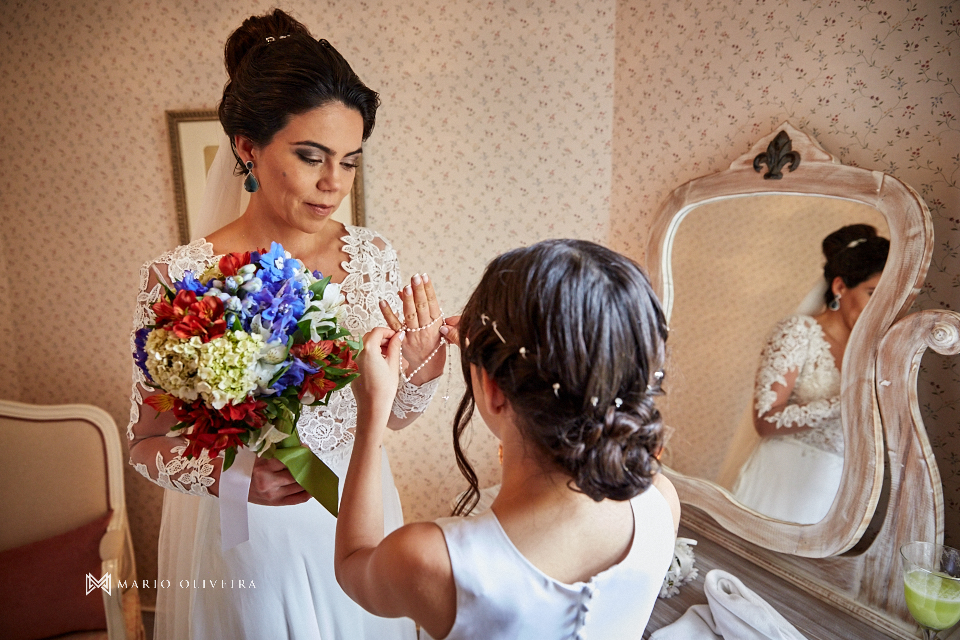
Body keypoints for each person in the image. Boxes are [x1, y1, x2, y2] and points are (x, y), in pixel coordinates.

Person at [127, 10, 444, 640]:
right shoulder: (179, 278)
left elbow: (394, 415)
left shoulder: (373, 257)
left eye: (349, 162)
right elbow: (144, 443)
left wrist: (426, 361)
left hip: (360, 511)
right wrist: (232, 476)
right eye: (311, 156)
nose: (334, 185)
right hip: (251, 539)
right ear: (247, 146)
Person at [336, 239, 681, 640]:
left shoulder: (433, 560)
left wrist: (371, 417)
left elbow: (351, 563)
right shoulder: (660, 499)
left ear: (495, 390)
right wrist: (489, 357)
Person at [732, 224, 889, 524]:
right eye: (872, 293)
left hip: (833, 494)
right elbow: (765, 419)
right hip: (780, 477)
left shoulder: (878, 352)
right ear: (840, 287)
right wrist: (848, 402)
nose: (880, 309)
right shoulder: (797, 332)